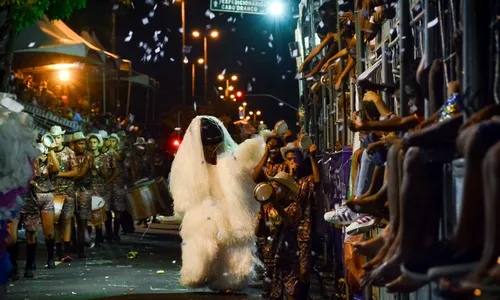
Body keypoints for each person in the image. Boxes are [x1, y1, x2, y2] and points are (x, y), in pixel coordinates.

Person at [169, 116, 264, 291]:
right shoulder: (189, 166)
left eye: (215, 143)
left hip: (229, 209)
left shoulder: (228, 158)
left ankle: (232, 280)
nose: (213, 148)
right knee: (204, 242)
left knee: (232, 244)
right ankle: (199, 273)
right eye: (208, 145)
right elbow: (184, 193)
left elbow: (243, 171)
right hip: (203, 211)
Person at [8, 143, 60, 280]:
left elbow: (54, 169)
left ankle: (28, 267)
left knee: (32, 233)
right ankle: (13, 266)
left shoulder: (36, 164)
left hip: (31, 200)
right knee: (11, 239)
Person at [256, 172, 302, 299]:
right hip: (271, 257)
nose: (274, 190)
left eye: (277, 187)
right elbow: (259, 233)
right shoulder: (267, 207)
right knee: (272, 295)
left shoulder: (293, 207)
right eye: (273, 186)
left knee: (291, 293)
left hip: (289, 257)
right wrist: (259, 220)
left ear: (287, 190)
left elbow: (288, 222)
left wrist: (275, 203)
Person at [51, 126, 79, 262]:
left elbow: (75, 172)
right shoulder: (47, 153)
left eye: (58, 137)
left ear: (62, 138)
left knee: (67, 220)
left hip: (68, 191)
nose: (56, 140)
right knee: (56, 221)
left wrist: (59, 174)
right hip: (54, 192)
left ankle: (66, 250)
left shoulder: (69, 152)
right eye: (53, 137)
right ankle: (58, 249)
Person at [72, 132, 93, 257]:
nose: (82, 146)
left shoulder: (88, 156)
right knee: (69, 220)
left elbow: (82, 173)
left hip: (84, 190)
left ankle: (81, 247)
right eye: (80, 143)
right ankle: (72, 244)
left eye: (83, 143)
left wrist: (67, 176)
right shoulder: (70, 154)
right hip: (70, 190)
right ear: (73, 144)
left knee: (82, 219)